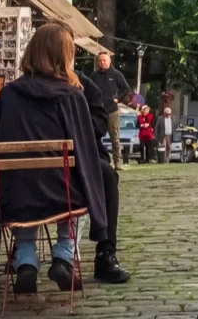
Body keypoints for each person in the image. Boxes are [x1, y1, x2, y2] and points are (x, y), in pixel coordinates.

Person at [0, 23, 109, 294]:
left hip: (18, 194)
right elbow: (85, 151)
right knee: (80, 188)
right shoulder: (71, 96)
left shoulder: (8, 95)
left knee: (22, 187)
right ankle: (64, 256)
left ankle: (26, 261)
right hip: (61, 193)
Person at [75, 64, 131, 283]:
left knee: (107, 175)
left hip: (83, 157)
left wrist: (79, 120)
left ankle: (105, 252)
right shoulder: (21, 90)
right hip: (42, 165)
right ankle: (23, 255)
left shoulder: (81, 84)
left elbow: (99, 123)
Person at [90, 51, 131, 171]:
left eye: (104, 60)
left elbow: (126, 88)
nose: (102, 63)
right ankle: (98, 161)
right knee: (95, 137)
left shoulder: (116, 74)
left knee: (115, 138)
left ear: (109, 61)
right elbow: (89, 89)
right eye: (100, 60)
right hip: (98, 111)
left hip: (112, 110)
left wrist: (119, 98)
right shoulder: (94, 76)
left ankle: (118, 162)